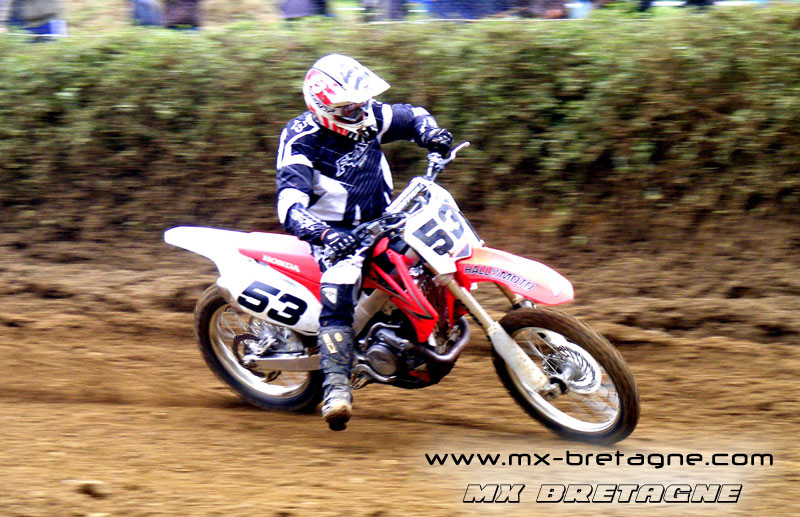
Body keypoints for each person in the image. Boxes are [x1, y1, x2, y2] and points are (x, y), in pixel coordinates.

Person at [275, 54, 453, 430]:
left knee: (432, 254)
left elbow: (412, 115)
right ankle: (336, 388)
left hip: (387, 216)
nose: (360, 111)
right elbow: (289, 207)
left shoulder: (367, 116)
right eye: (350, 107)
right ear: (325, 108)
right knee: (339, 291)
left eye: (361, 102)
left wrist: (431, 134)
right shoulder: (302, 139)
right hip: (336, 234)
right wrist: (327, 235)